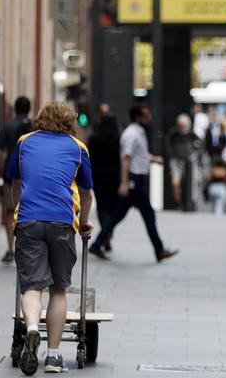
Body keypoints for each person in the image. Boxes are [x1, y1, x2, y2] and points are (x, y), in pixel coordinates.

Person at [4, 102, 94, 376]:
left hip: (30, 220)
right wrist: (85, 222)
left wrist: (18, 212)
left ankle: (32, 329)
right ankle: (54, 356)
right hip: (62, 221)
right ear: (70, 122)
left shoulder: (24, 142)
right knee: (58, 288)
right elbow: (87, 192)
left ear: (40, 118)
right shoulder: (78, 148)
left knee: (31, 286)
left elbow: (15, 183)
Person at [88, 105, 177, 263]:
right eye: (146, 115)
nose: (149, 118)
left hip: (136, 179)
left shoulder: (137, 133)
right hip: (134, 180)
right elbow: (126, 158)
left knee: (118, 215)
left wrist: (153, 159)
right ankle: (159, 250)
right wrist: (124, 182)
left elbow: (138, 154)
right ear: (138, 117)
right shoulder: (132, 134)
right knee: (148, 215)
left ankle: (97, 243)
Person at [0, 97, 34, 264]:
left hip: (11, 176)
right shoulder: (34, 127)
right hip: (31, 176)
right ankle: (28, 249)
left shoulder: (7, 126)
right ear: (29, 109)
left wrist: (3, 167)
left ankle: (11, 249)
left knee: (11, 212)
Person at [86, 114, 122, 252]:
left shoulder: (94, 138)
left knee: (102, 207)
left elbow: (90, 158)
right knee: (113, 207)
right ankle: (108, 233)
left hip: (98, 176)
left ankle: (105, 233)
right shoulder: (119, 139)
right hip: (114, 177)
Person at [167, 114, 201, 211]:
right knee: (175, 183)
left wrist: (193, 156)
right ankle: (178, 202)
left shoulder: (192, 135)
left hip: (189, 163)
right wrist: (173, 154)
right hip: (176, 161)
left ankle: (189, 203)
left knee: (189, 182)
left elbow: (198, 146)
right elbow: (168, 144)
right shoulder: (173, 134)